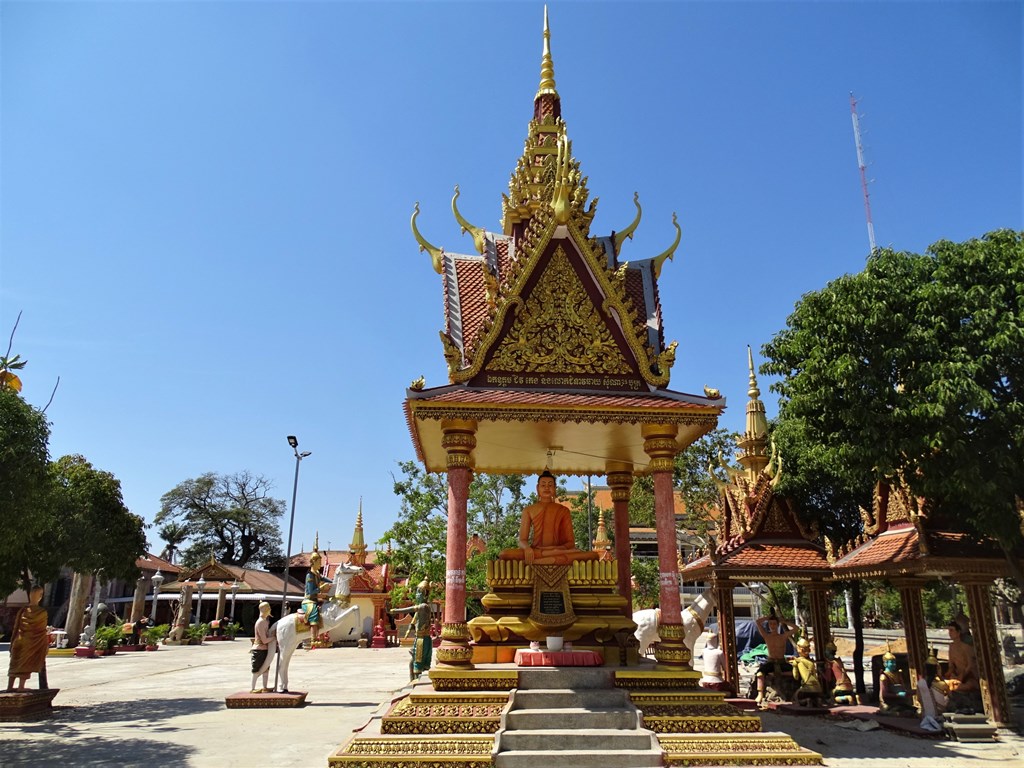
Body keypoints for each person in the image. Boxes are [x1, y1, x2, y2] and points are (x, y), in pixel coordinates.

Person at [499, 471, 600, 565]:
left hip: (558, 551)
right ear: (537, 488)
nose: (547, 488)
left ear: (555, 488)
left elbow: (570, 543)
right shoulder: (528, 510)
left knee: (593, 555)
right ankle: (545, 559)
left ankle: (539, 561)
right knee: (505, 554)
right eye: (543, 485)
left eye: (550, 485)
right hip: (536, 552)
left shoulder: (563, 510)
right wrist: (527, 548)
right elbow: (522, 540)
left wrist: (556, 549)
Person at [7, 586, 49, 691]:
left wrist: (12, 642)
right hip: (30, 641)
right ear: (40, 596)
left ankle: (10, 687)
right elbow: (40, 630)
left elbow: (16, 627)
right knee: (25, 664)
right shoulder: (42, 612)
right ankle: (21, 687)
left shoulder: (22, 610)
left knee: (14, 663)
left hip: (19, 639)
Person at [390, 580, 432, 680]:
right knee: (413, 663)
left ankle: (416, 683)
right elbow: (415, 620)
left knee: (417, 664)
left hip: (422, 640)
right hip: (420, 638)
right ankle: (413, 681)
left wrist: (395, 610)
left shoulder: (423, 606)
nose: (416, 595)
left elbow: (410, 609)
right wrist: (410, 628)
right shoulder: (422, 608)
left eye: (419, 592)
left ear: (425, 594)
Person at [754, 613, 796, 707]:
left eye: (774, 624)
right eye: (771, 624)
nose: (772, 626)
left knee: (796, 672)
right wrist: (768, 617)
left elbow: (796, 628)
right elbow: (757, 622)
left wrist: (783, 621)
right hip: (771, 662)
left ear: (777, 625)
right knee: (760, 673)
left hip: (781, 661)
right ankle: (760, 694)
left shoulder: (783, 636)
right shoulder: (766, 636)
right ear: (768, 625)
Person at [302, 548, 334, 646]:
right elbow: (311, 592)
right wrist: (321, 587)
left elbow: (326, 579)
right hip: (309, 601)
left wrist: (335, 581)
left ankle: (322, 637)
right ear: (314, 562)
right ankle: (312, 639)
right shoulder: (310, 576)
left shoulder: (317, 574)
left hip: (316, 599)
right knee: (314, 613)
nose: (321, 564)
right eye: (319, 562)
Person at [945, 620, 979, 693]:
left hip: (969, 676)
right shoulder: (951, 646)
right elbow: (951, 664)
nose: (950, 633)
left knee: (967, 686)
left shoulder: (966, 647)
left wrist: (962, 676)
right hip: (957, 675)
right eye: (949, 631)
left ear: (958, 632)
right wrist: (949, 672)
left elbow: (970, 665)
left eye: (952, 630)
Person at [879, 649, 914, 714]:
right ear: (885, 663)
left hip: (899, 701)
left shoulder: (898, 674)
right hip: (889, 703)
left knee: (912, 710)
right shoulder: (884, 676)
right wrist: (898, 695)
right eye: (891, 662)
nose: (894, 664)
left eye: (894, 662)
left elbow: (903, 688)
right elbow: (884, 694)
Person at [790, 638, 823, 706]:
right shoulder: (811, 662)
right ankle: (817, 700)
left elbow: (796, 677)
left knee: (795, 698)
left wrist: (794, 666)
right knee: (815, 696)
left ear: (800, 649)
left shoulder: (798, 661)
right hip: (818, 688)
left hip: (807, 688)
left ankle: (806, 701)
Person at [250, 602, 273, 693]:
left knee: (266, 669)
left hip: (264, 649)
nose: (270, 610)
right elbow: (264, 640)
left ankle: (265, 687)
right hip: (259, 649)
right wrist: (273, 638)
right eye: (268, 608)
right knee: (256, 669)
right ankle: (253, 688)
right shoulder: (260, 622)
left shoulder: (265, 621)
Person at [822, 641, 855, 705]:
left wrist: (821, 672)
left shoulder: (830, 663)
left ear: (829, 652)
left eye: (826, 651)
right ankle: (855, 697)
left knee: (832, 695)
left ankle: (847, 698)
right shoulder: (839, 661)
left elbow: (828, 678)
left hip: (841, 686)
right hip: (849, 686)